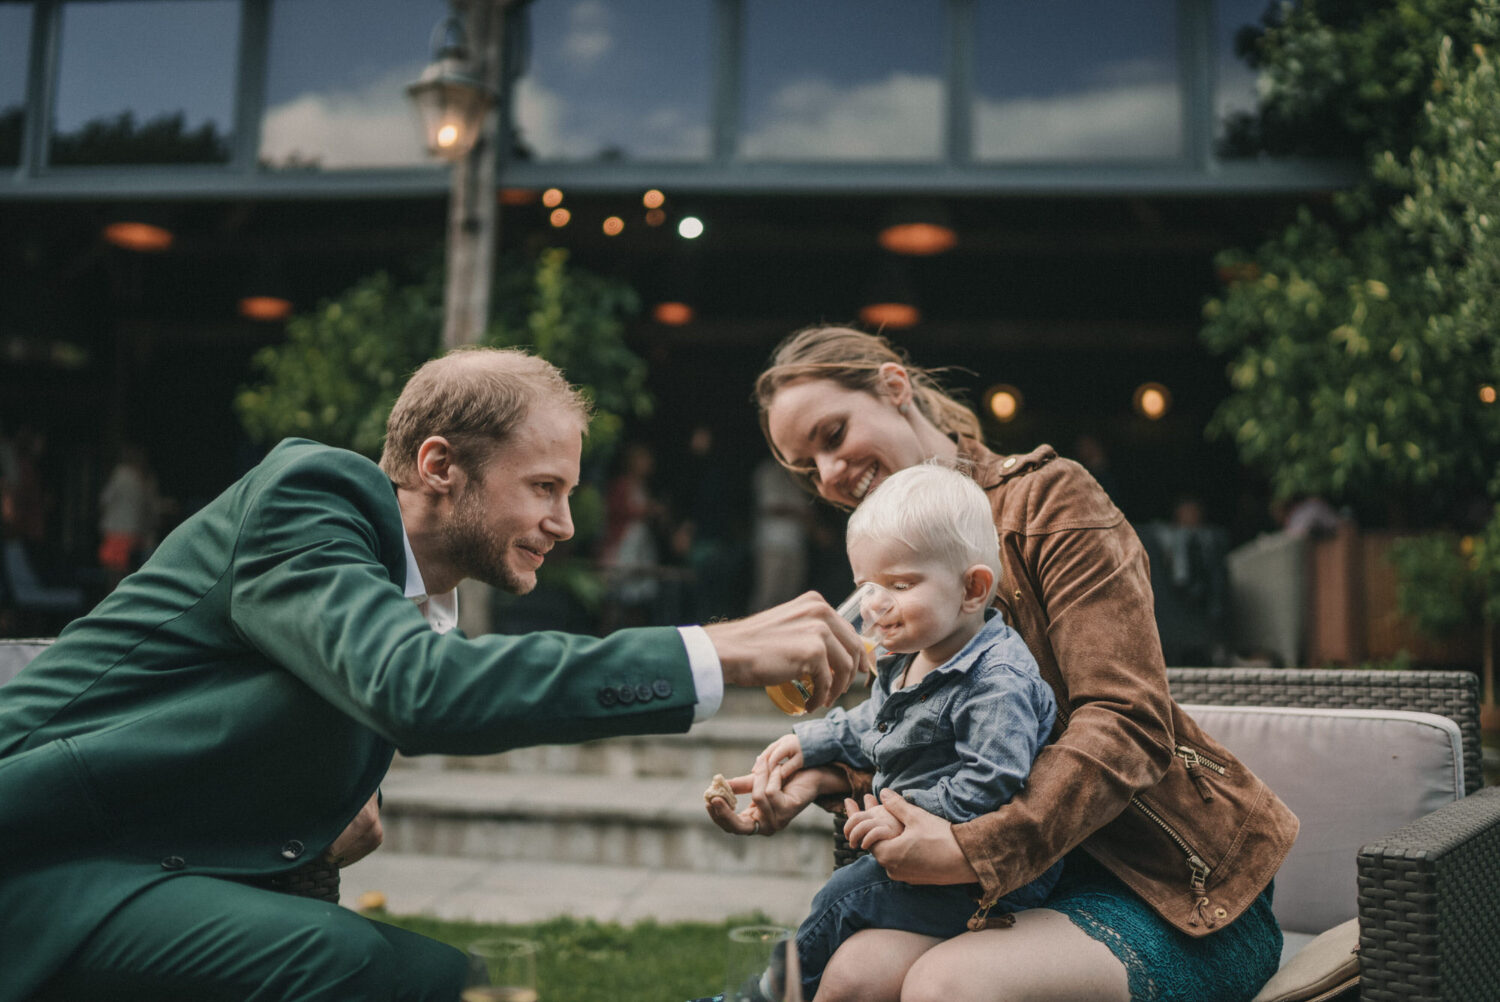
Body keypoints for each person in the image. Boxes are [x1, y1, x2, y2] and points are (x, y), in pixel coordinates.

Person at [0, 346, 866, 1002]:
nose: (565, 524)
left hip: (136, 862)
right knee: (404, 975)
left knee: (451, 978)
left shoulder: (407, 598)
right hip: (39, 855)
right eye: (543, 488)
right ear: (440, 465)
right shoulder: (312, 495)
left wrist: (315, 806)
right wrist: (717, 650)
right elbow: (421, 691)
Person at [707, 326, 1299, 1002]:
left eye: (833, 435)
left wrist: (974, 851)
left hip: (1171, 890)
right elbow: (941, 749)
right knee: (849, 978)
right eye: (807, 467)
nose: (830, 474)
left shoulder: (1050, 500)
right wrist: (822, 776)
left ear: (894, 387)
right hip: (1022, 886)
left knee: (946, 985)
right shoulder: (891, 588)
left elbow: (1127, 719)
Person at [715, 463, 1062, 1001]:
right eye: (866, 587)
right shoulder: (908, 658)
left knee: (842, 897)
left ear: (972, 588)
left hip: (990, 875)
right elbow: (872, 727)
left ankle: (762, 997)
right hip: (926, 856)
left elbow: (990, 783)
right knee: (847, 905)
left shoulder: (998, 680)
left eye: (900, 585)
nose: (875, 606)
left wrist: (898, 810)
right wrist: (810, 742)